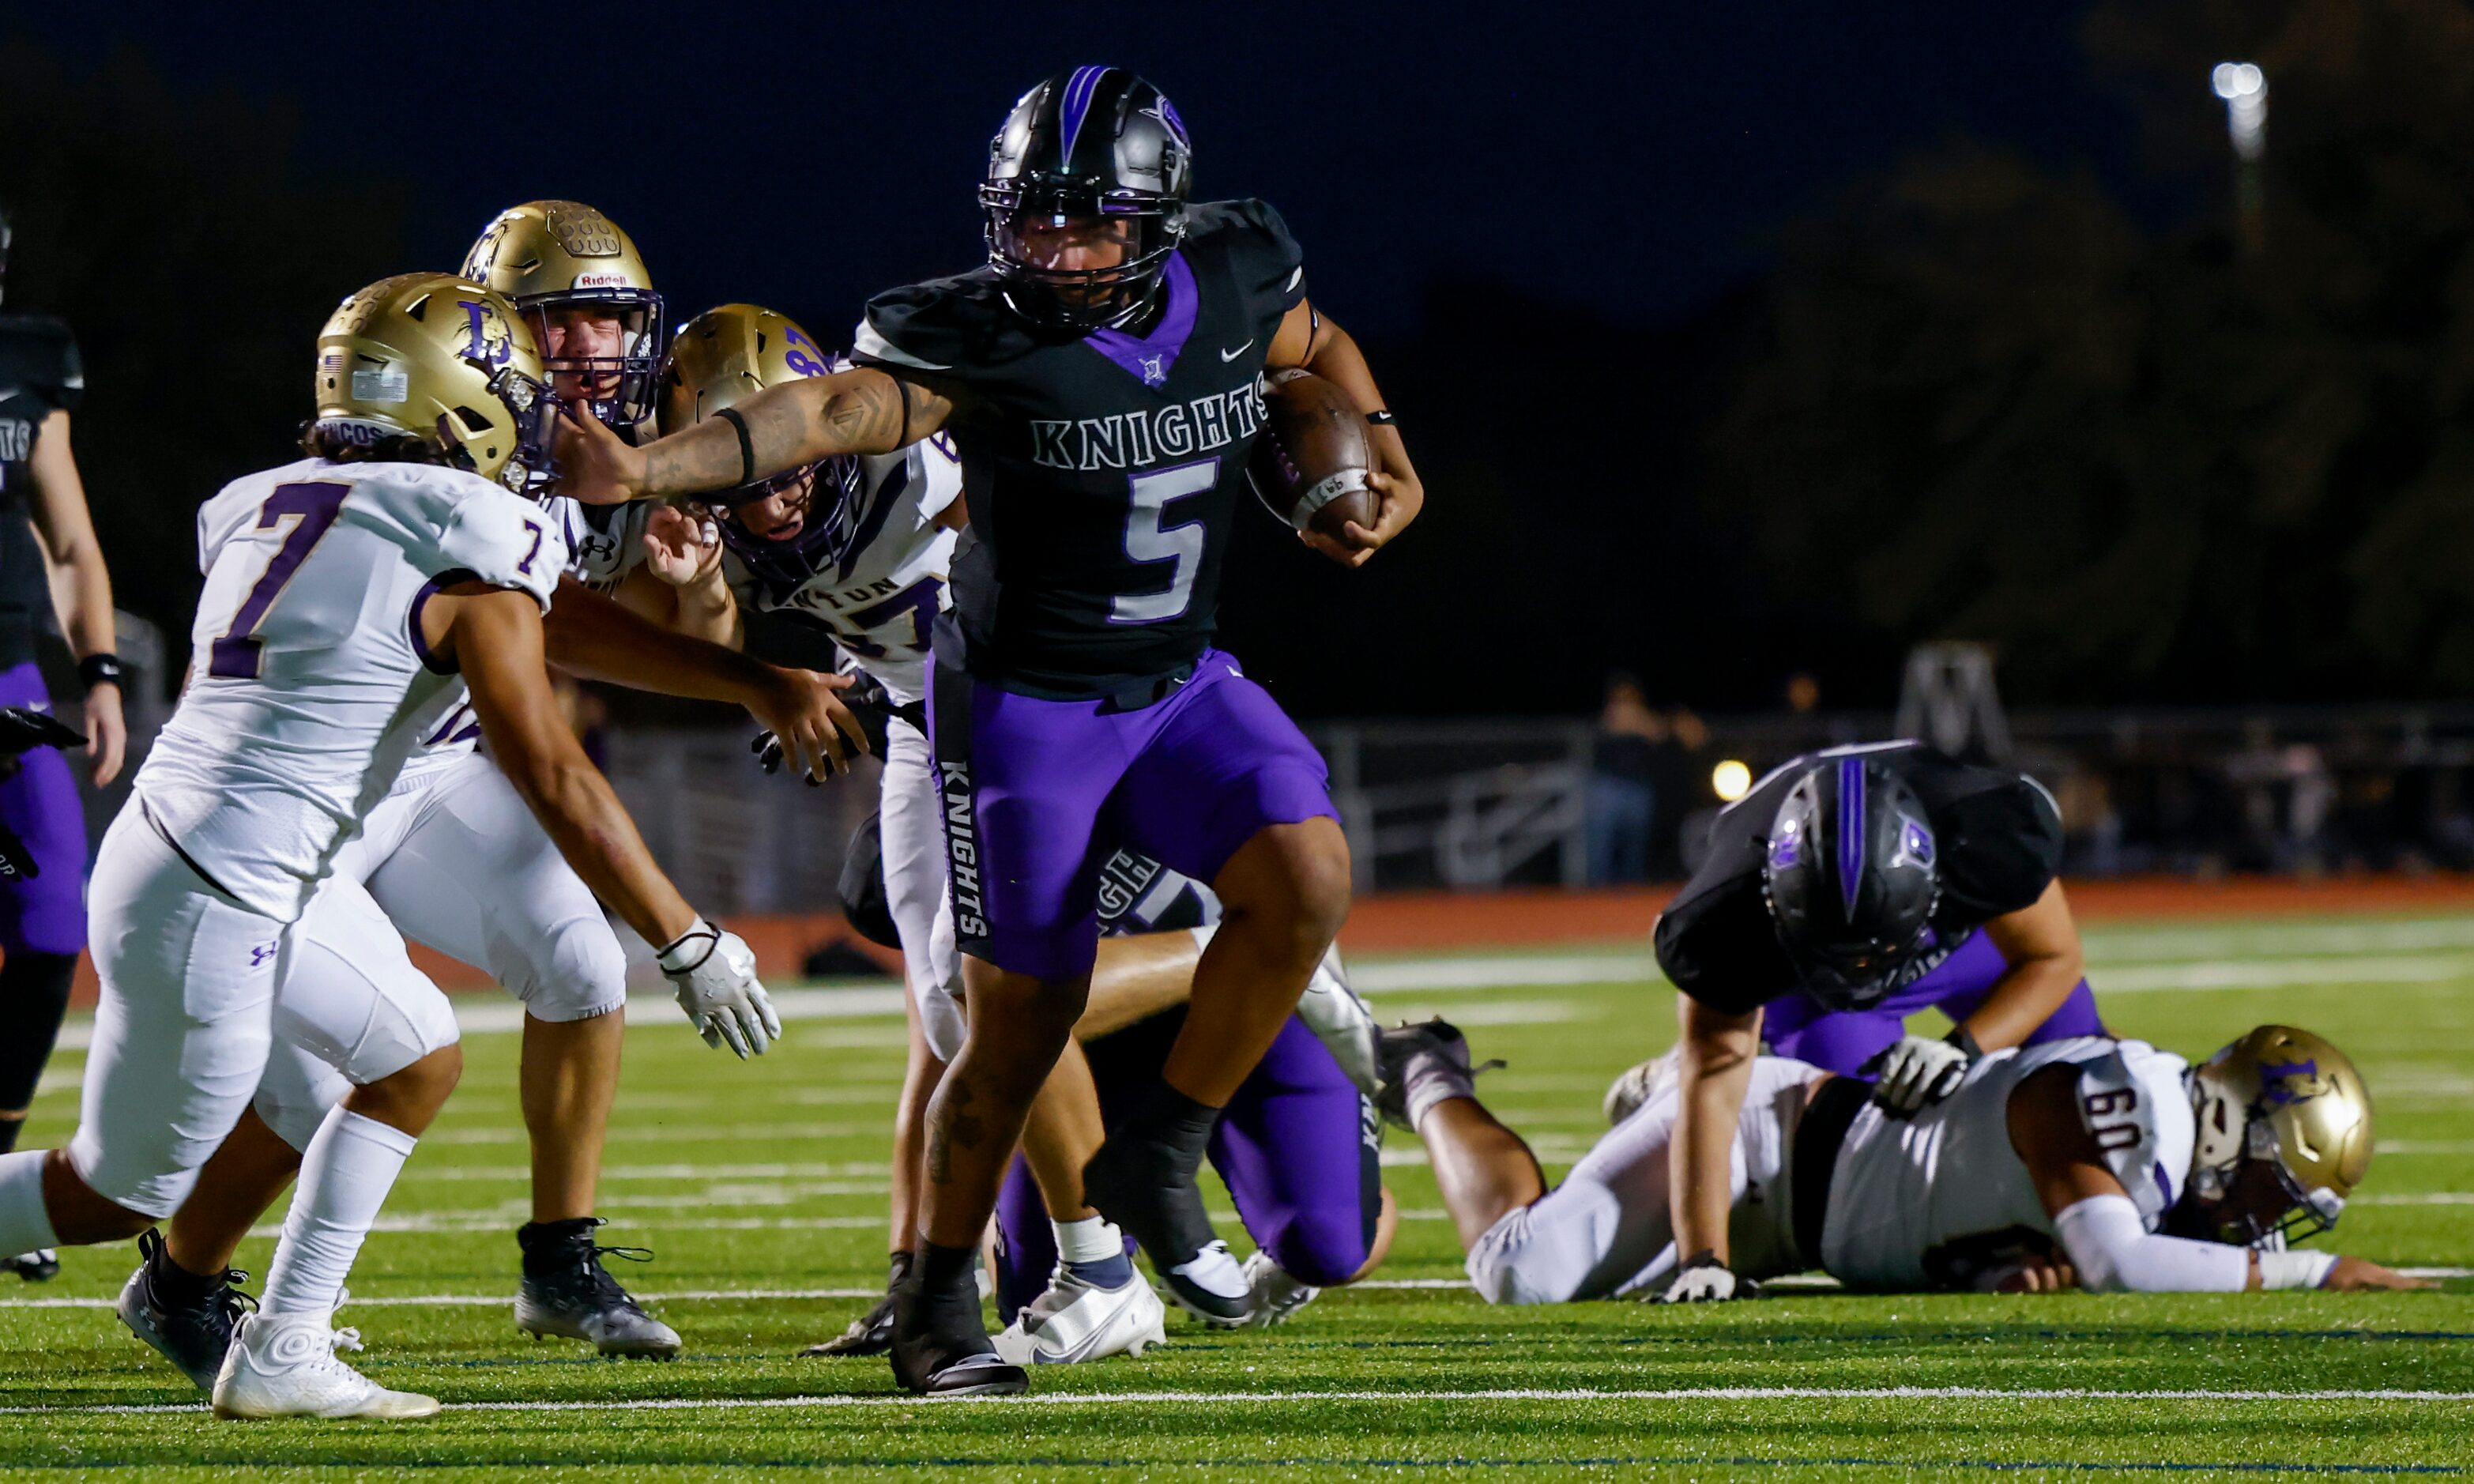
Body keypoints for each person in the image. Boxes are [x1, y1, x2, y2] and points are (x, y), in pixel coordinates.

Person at [556, 68, 1421, 1394]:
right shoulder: (961, 337)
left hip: (1179, 678)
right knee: (998, 1017)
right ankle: (941, 1301)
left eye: (1087, 228)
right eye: (1029, 225)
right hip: (1021, 704)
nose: (1055, 255)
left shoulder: (1236, 266)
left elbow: (1311, 343)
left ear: (1161, 223)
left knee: (1311, 873)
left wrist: (1376, 446)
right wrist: (664, 473)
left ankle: (1159, 1152)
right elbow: (833, 410)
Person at [0, 274, 782, 1418]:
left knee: (273, 1110)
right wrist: (685, 934)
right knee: (153, 1173)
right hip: (235, 885)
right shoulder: (475, 531)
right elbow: (552, 767)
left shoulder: (258, 499)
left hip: (180, 849)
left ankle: (272, 1338)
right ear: (463, 402)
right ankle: (282, 1350)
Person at [1380, 1016, 2428, 1302]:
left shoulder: (2147, 1164)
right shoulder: (2113, 1098)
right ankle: (1427, 1069)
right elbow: (2114, 1259)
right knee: (1518, 1270)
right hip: (1764, 1143)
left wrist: (2002, 1265)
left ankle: (1662, 1098)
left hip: (1801, 1229)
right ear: (2229, 1125)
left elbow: (2032, 1234)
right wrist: (2312, 1270)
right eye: (2262, 1192)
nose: (2254, 1225)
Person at [1629, 741, 2109, 1303]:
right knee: (1851, 1161)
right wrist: (1703, 1260)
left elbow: (2051, 960)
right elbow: (1713, 1082)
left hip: (1955, 947)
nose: (1861, 973)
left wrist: (1965, 1046)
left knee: (2084, 1072)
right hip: (1807, 986)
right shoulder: (1724, 917)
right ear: (1773, 901)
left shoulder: (1983, 835)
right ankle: (1682, 1075)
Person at [0, 203, 127, 1282]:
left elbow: (72, 541)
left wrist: (100, 672)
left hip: (9, 682)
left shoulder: (30, 361)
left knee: (49, 921)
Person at [1585, 672, 1662, 884]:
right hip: (1608, 787)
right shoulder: (1609, 716)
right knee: (1601, 846)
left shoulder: (1645, 718)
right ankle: (1595, 894)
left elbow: (1659, 733)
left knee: (1635, 845)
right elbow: (1613, 726)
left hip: (1638, 786)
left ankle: (1631, 895)